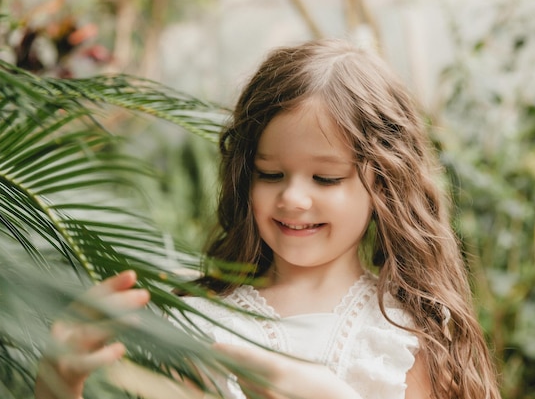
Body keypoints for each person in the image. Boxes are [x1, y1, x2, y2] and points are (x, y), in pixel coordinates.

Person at [35, 38, 501, 399]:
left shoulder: (404, 337)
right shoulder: (198, 318)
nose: (293, 198)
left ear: (383, 183)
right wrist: (58, 380)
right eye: (271, 174)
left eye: (325, 178)